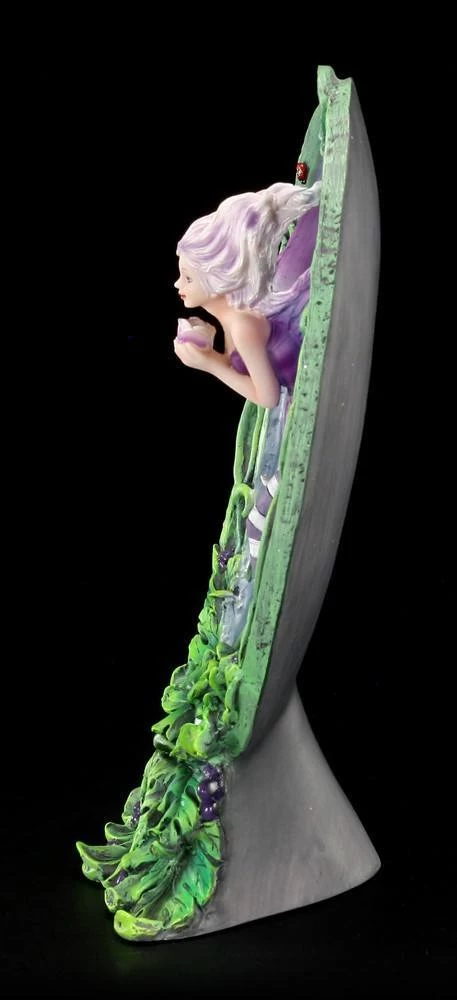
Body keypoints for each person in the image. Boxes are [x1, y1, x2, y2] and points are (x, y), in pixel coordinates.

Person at [173, 180, 321, 409]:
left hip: (313, 392)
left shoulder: (242, 326)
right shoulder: (232, 316)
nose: (177, 284)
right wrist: (208, 352)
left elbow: (269, 398)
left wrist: (211, 365)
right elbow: (235, 364)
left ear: (217, 278)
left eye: (188, 278)